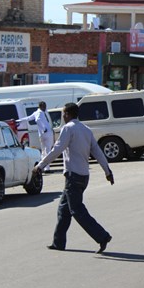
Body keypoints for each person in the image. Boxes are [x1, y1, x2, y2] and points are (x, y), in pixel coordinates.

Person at [33, 102, 114, 254]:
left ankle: (102, 236)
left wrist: (40, 166)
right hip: (83, 176)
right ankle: (58, 242)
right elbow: (97, 151)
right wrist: (107, 171)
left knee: (76, 210)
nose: (63, 116)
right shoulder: (86, 130)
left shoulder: (68, 128)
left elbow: (57, 149)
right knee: (63, 209)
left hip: (73, 176)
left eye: (64, 113)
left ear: (68, 114)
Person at [17, 101, 54, 172]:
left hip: (42, 134)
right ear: (41, 106)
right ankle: (47, 168)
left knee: (44, 151)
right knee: (48, 150)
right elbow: (38, 120)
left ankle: (43, 166)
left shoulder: (37, 112)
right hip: (46, 133)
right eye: (44, 106)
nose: (45, 108)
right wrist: (44, 129)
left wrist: (18, 120)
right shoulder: (40, 113)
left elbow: (28, 118)